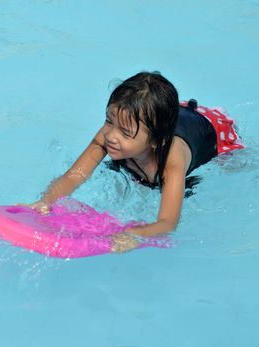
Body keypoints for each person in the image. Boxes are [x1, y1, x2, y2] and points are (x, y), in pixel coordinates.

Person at [26, 72, 243, 253]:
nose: (110, 135)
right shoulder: (119, 127)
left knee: (235, 168)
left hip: (211, 131)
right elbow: (73, 176)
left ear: (156, 141)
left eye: (124, 132)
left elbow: (167, 223)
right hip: (162, 118)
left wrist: (131, 235)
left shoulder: (172, 163)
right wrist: (46, 201)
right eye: (108, 121)